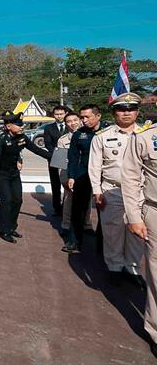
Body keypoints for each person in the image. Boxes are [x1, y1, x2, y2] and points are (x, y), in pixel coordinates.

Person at [89, 93, 144, 285]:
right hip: (113, 191)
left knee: (137, 233)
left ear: (137, 112)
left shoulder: (147, 134)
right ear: (114, 113)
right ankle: (114, 267)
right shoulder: (102, 137)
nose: (127, 113)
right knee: (113, 231)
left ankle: (133, 268)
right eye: (122, 109)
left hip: (141, 192)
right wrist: (97, 191)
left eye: (131, 109)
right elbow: (94, 166)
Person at [121, 107, 157, 358]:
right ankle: (156, 331)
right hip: (155, 211)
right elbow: (131, 177)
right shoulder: (146, 138)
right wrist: (134, 216)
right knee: (156, 274)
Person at [0, 112, 51, 243]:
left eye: (21, 124)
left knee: (17, 200)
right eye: (18, 125)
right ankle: (3, 230)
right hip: (2, 174)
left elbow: (36, 149)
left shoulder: (22, 137)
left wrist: (53, 157)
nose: (21, 127)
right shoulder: (0, 139)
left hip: (14, 173)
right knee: (7, 201)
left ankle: (12, 227)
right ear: (8, 126)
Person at [64, 104, 104, 253]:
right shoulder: (79, 134)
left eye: (87, 117)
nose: (84, 120)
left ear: (98, 116)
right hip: (83, 174)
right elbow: (73, 157)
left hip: (103, 175)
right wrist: (72, 176)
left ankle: (102, 243)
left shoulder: (107, 131)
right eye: (82, 117)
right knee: (77, 209)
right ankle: (73, 240)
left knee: (104, 210)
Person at [55, 112, 94, 240]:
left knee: (87, 201)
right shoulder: (62, 140)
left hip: (85, 174)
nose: (73, 123)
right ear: (66, 124)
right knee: (68, 201)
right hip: (69, 175)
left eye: (75, 120)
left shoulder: (91, 136)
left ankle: (87, 225)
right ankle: (66, 226)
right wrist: (64, 180)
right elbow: (59, 162)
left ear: (80, 120)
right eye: (69, 121)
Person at [44, 105, 68, 216]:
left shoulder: (71, 125)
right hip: (55, 158)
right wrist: (59, 154)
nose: (59, 116)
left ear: (65, 113)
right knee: (56, 184)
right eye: (56, 114)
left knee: (68, 183)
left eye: (61, 114)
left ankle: (67, 206)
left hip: (70, 159)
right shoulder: (48, 128)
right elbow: (48, 144)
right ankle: (57, 208)